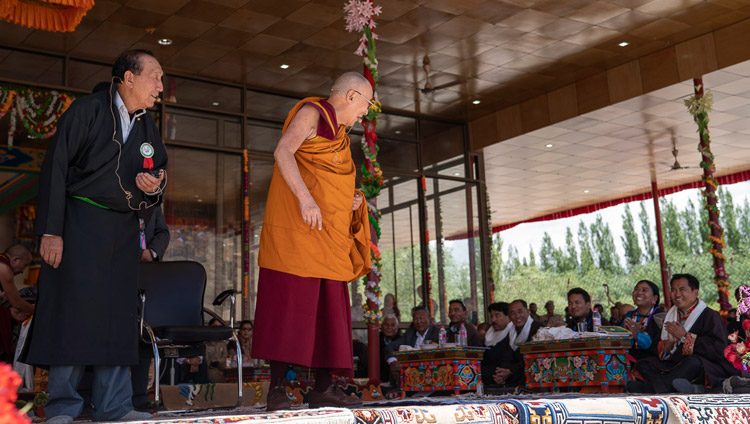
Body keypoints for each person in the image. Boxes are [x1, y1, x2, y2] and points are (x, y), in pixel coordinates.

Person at [23, 49, 167, 424]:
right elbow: (55, 168)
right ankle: (63, 407)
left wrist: (154, 184)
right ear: (128, 77)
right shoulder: (86, 111)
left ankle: (114, 406)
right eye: (155, 75)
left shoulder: (147, 125)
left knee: (115, 317)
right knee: (73, 311)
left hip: (122, 230)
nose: (160, 86)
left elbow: (158, 169)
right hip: (79, 222)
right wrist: (51, 231)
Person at [251, 72, 373, 411]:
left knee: (327, 314)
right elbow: (284, 152)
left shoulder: (342, 139)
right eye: (366, 104)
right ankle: (278, 389)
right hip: (298, 234)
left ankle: (322, 388)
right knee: (289, 310)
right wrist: (306, 200)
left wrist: (352, 198)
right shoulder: (313, 114)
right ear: (351, 96)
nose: (365, 113)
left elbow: (331, 182)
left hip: (328, 239)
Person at [629, 274, 740, 394]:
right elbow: (658, 350)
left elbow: (718, 348)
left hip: (705, 364)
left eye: (682, 290)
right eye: (673, 290)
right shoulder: (669, 317)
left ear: (695, 292)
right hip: (675, 364)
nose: (677, 295)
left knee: (693, 362)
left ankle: (655, 387)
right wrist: (669, 344)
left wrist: (685, 337)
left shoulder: (710, 315)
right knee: (645, 363)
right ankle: (681, 386)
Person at [483, 300, 541, 390]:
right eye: (513, 313)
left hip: (533, 379)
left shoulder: (538, 329)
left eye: (520, 311)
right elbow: (506, 356)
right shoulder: (511, 332)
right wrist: (501, 375)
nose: (517, 316)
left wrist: (510, 371)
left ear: (528, 311)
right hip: (513, 379)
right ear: (509, 316)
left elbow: (534, 358)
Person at [383, 305, 440, 391]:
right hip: (410, 369)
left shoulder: (437, 333)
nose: (419, 321)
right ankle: (401, 391)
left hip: (430, 369)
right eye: (416, 319)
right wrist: (393, 361)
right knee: (395, 367)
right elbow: (390, 346)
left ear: (429, 318)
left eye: (421, 318)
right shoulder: (410, 333)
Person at [0, 244, 33, 362]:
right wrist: (35, 310)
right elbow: (17, 303)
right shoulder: (4, 268)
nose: (23, 270)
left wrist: (7, 311)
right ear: (16, 260)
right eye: (25, 265)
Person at [621, 280, 665, 362]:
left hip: (652, 361)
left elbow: (658, 347)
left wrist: (637, 335)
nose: (639, 293)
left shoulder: (660, 316)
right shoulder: (629, 316)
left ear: (654, 298)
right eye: (636, 289)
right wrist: (624, 334)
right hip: (629, 357)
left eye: (644, 290)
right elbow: (621, 342)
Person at [378, 314, 401, 390]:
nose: (389, 328)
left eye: (392, 325)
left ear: (397, 328)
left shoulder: (401, 340)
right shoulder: (376, 339)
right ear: (382, 326)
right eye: (386, 325)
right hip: (378, 379)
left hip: (394, 380)